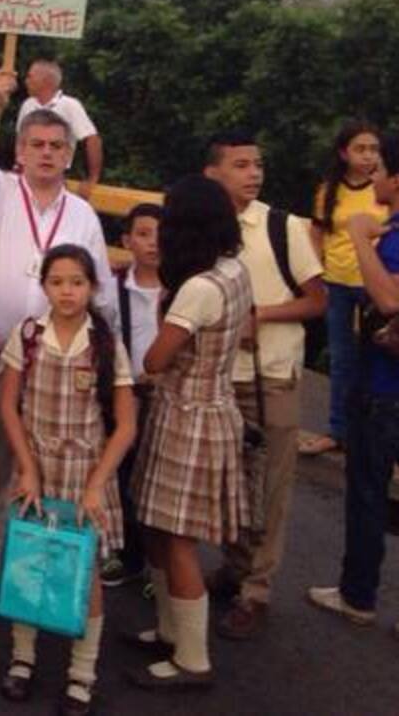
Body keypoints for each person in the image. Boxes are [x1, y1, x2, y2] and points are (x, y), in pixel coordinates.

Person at [0, 70, 117, 598]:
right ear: (19, 149)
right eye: (35, 144)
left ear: (69, 155)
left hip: (56, 364)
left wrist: (102, 357)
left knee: (48, 468)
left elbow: (100, 291)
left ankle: (32, 569)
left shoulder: (82, 213)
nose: (46, 153)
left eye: (57, 146)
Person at [0, 245, 136, 715]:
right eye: (56, 282)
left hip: (85, 473)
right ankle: (22, 658)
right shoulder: (28, 335)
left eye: (77, 281)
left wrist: (98, 483)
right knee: (28, 560)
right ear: (44, 286)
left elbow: (126, 425)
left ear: (93, 286)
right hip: (36, 464)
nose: (67, 291)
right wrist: (28, 469)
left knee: (87, 572)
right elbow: (8, 407)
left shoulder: (105, 344)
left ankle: (82, 673)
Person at [125, 174, 251, 690]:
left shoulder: (197, 289)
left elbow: (156, 358)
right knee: (158, 528)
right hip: (210, 408)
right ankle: (170, 630)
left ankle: (192, 659)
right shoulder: (233, 270)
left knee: (176, 540)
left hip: (188, 418)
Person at [202, 130, 326, 640]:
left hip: (272, 372)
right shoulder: (204, 227)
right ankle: (234, 567)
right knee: (229, 481)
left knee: (271, 486)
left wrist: (262, 316)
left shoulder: (282, 226)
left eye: (257, 164)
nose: (253, 173)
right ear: (214, 172)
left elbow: (317, 300)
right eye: (240, 164)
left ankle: (256, 588)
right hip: (215, 376)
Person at [307, 131, 399, 636]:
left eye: (383, 166)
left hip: (384, 389)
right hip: (380, 382)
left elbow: (388, 300)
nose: (375, 174)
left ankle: (357, 594)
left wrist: (363, 239)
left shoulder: (392, 235)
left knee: (367, 491)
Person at [303, 123, 385, 455]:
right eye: (360, 149)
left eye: (373, 149)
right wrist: (315, 272)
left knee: (378, 358)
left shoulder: (384, 188)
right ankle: (338, 431)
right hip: (337, 283)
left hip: (376, 286)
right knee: (342, 359)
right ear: (343, 153)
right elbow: (317, 233)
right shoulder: (330, 190)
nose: (368, 156)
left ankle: (377, 436)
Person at [100, 203, 163, 589]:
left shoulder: (183, 287)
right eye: (143, 234)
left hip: (168, 395)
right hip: (126, 395)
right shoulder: (114, 287)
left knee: (160, 481)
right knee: (123, 476)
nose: (153, 242)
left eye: (160, 233)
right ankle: (129, 555)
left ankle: (160, 566)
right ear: (126, 241)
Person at [15, 60, 102, 199]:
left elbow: (92, 139)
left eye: (30, 76)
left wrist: (92, 179)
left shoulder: (70, 105)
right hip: (28, 175)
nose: (26, 81)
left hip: (58, 175)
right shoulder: (28, 105)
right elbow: (20, 141)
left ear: (45, 80)